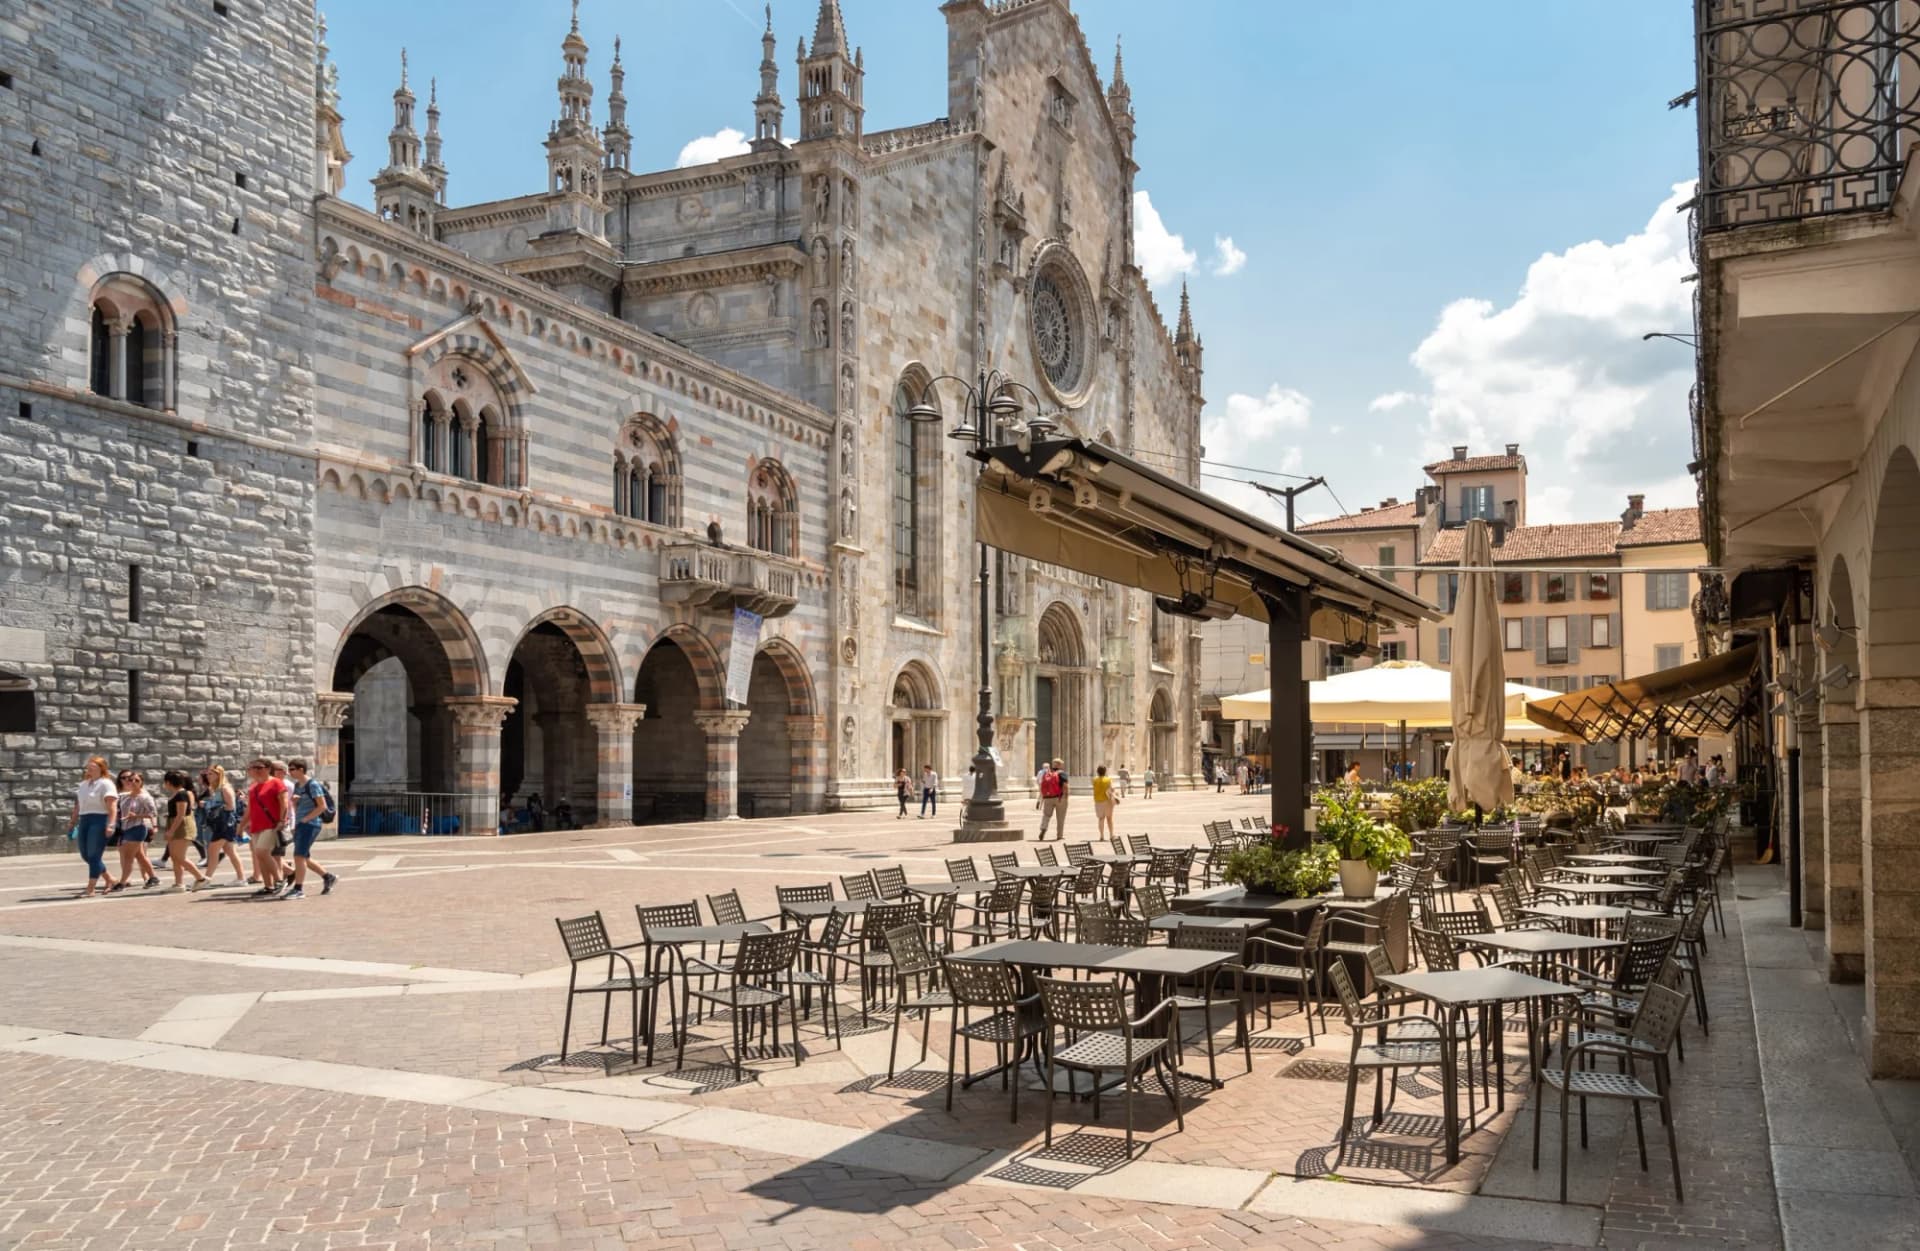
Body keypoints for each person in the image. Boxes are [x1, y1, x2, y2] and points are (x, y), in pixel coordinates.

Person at [285, 758, 338, 899]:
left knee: (299, 856)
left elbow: (322, 806)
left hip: (310, 824)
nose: (289, 772)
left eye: (292, 769)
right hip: (301, 824)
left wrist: (306, 819)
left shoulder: (312, 784)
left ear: (301, 769)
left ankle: (298, 889)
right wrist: (295, 805)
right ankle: (328, 877)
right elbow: (298, 807)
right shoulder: (297, 786)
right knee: (304, 857)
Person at [69, 756, 119, 898]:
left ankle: (90, 889)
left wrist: (111, 824)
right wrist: (72, 822)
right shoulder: (84, 784)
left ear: (101, 768)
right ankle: (110, 879)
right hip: (85, 819)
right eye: (88, 766)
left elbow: (113, 807)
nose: (89, 768)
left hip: (100, 819)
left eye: (93, 766)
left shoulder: (106, 784)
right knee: (86, 855)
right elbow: (78, 806)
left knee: (94, 855)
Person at [159, 771, 211, 891]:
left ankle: (201, 878)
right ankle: (179, 884)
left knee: (179, 857)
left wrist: (171, 831)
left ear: (168, 782)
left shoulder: (181, 794)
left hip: (182, 827)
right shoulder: (176, 793)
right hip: (175, 824)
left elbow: (181, 814)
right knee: (174, 856)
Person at [243, 759, 287, 895]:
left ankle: (279, 880)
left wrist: (282, 820)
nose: (256, 770)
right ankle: (268, 886)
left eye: (259, 767)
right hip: (257, 825)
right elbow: (249, 809)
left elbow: (284, 803)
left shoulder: (276, 782)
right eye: (253, 767)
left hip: (271, 824)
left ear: (268, 768)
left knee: (262, 852)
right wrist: (241, 826)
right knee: (259, 855)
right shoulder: (253, 787)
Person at [111, 771, 159, 891]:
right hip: (125, 828)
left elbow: (153, 813)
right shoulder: (124, 795)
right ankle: (153, 878)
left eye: (136, 780)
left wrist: (136, 816)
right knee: (140, 856)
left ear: (141, 782)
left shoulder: (145, 797)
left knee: (128, 857)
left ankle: (122, 883)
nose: (132, 782)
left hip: (138, 828)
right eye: (130, 780)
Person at [200, 765, 246, 885]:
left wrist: (208, 805)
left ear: (219, 774)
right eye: (208, 774)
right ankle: (241, 878)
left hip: (225, 823)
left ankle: (206, 879)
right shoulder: (215, 789)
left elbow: (231, 807)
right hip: (220, 823)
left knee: (212, 849)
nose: (208, 776)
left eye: (211, 774)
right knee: (230, 851)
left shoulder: (225, 788)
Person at [1036, 758, 1067, 839]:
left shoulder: (1048, 774)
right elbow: (1065, 786)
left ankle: (1043, 829)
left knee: (1046, 815)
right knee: (1060, 817)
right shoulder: (1062, 774)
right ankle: (1059, 835)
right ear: (1060, 765)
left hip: (1048, 797)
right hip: (1059, 798)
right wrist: (1066, 797)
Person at [1092, 764, 1117, 841]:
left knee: (1101, 819)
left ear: (1097, 772)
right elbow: (1112, 789)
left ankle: (1102, 836)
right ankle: (1111, 835)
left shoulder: (1094, 780)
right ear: (1105, 771)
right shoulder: (1108, 780)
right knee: (1109, 818)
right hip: (1107, 801)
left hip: (1098, 801)